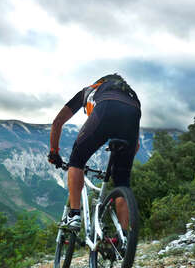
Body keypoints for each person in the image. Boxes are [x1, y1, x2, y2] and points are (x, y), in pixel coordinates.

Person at [48, 73, 141, 231]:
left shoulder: (90, 90)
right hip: (133, 113)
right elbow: (136, 145)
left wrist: (54, 152)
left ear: (100, 82)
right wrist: (119, 163)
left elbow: (57, 123)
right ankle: (125, 238)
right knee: (122, 182)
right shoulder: (130, 93)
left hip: (106, 108)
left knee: (77, 160)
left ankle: (74, 215)